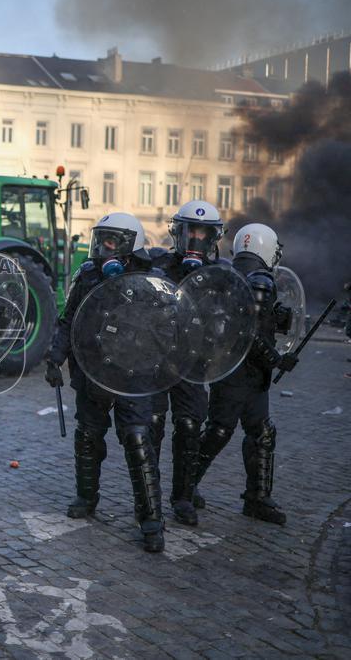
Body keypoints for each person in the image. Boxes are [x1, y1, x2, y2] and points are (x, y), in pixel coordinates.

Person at [45, 212, 165, 552]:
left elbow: (169, 330)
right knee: (88, 437)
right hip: (93, 370)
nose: (105, 247)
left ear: (131, 245)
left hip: (133, 374)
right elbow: (68, 321)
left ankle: (152, 519)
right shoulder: (88, 275)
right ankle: (86, 497)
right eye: (103, 239)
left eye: (113, 241)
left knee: (139, 441)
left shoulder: (151, 279)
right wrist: (55, 357)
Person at [194, 224, 296, 525]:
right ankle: (187, 489)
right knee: (220, 431)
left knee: (257, 431)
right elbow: (248, 333)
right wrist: (276, 359)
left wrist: (273, 319)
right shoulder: (261, 279)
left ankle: (255, 498)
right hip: (243, 373)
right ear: (265, 248)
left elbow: (247, 321)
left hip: (230, 369)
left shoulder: (229, 272)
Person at [148, 200, 225, 526]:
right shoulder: (159, 266)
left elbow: (229, 319)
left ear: (212, 237)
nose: (195, 237)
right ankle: (148, 498)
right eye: (190, 230)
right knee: (150, 426)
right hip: (157, 360)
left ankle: (182, 496)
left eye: (202, 232)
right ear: (178, 232)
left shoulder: (221, 275)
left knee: (190, 427)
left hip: (193, 364)